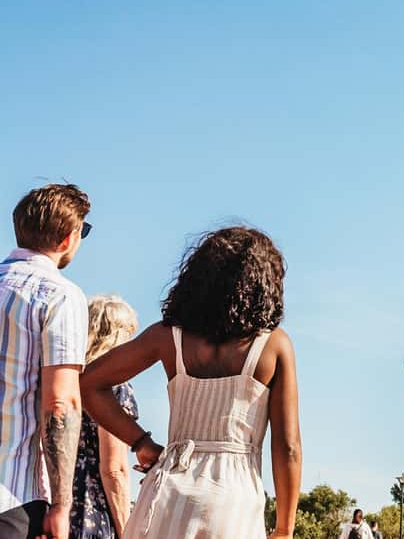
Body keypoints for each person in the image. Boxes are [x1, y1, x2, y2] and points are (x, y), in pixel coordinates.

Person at [80, 226, 301, 539]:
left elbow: (89, 383)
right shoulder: (274, 345)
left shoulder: (167, 336)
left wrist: (141, 443)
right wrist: (284, 529)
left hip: (168, 489)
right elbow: (288, 446)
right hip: (233, 498)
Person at [0, 184, 91, 539]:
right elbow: (60, 404)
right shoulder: (59, 295)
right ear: (69, 238)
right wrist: (61, 506)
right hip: (11, 493)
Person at [69, 296, 140, 539]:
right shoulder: (114, 386)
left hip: (55, 504)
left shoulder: (65, 380)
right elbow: (114, 469)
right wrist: (126, 530)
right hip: (93, 510)